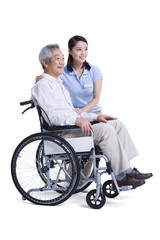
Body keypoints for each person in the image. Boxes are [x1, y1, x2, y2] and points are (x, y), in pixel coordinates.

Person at [31, 44, 152, 190]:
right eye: (58, 59)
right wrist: (77, 120)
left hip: (72, 127)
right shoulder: (43, 85)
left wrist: (95, 118)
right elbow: (53, 116)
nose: (62, 61)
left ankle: (128, 169)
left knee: (117, 124)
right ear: (46, 62)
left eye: (63, 58)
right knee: (105, 131)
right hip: (62, 134)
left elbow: (73, 111)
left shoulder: (59, 84)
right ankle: (122, 176)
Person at [36, 35, 103, 114]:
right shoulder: (62, 72)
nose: (83, 53)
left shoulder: (94, 70)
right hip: (74, 114)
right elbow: (50, 80)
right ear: (70, 51)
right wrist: (40, 79)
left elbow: (96, 98)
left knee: (116, 125)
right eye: (79, 50)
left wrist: (83, 110)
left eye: (86, 49)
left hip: (94, 112)